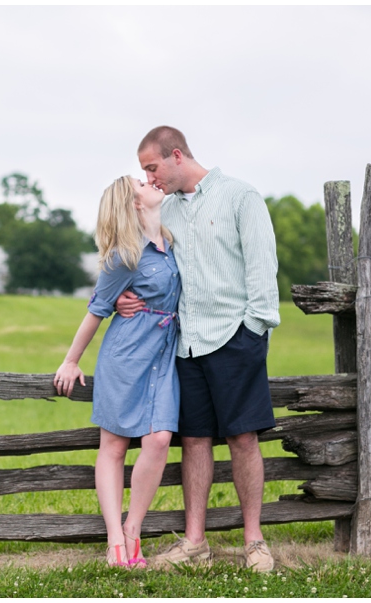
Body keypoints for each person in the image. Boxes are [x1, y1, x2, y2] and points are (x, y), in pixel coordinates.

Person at [116, 126, 280, 573]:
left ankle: (254, 542)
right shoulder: (165, 208)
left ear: (175, 156)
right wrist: (119, 296)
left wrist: (252, 330)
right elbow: (144, 260)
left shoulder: (240, 197)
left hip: (235, 337)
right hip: (185, 344)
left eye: (152, 168)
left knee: (243, 439)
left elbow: (263, 272)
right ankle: (195, 542)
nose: (149, 178)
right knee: (194, 441)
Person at [54, 175, 181, 569]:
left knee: (158, 439)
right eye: (140, 183)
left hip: (165, 357)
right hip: (126, 357)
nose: (150, 181)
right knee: (114, 446)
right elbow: (96, 307)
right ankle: (115, 543)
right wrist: (71, 360)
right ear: (133, 203)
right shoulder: (123, 256)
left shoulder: (172, 244)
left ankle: (133, 530)